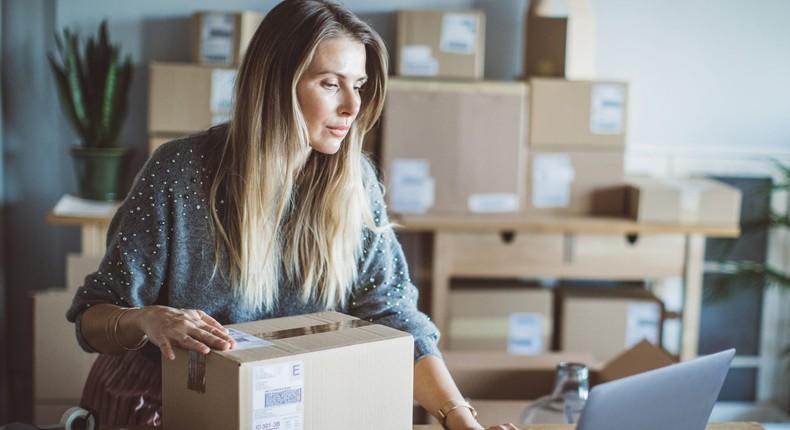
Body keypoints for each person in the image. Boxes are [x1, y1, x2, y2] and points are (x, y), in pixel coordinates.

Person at [67, 1, 518, 429]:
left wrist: (461, 419)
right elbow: (92, 318)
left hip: (285, 407)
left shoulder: (354, 183)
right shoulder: (178, 172)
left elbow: (397, 320)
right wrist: (148, 319)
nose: (352, 107)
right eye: (330, 83)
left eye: (358, 86)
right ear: (275, 83)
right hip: (161, 405)